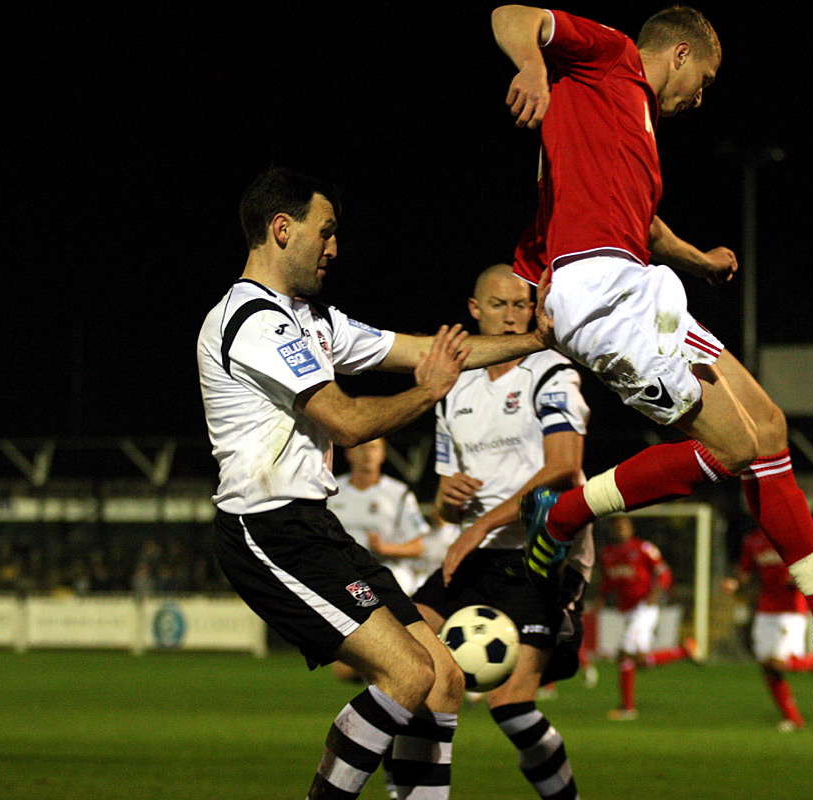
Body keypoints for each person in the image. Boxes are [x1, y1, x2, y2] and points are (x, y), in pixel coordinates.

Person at [489, 4, 813, 661]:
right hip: (599, 293)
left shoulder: (630, 123)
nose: (701, 96)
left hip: (635, 286)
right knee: (733, 447)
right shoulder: (612, 60)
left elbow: (644, 226)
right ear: (679, 53)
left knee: (769, 428)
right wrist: (532, 66)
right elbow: (511, 15)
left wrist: (698, 260)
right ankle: (561, 516)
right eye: (704, 79)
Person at [197, 167, 555, 800]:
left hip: (313, 526)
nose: (334, 247)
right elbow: (348, 420)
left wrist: (536, 340)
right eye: (325, 231)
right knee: (408, 674)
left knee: (444, 678)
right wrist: (430, 391)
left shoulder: (311, 319)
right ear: (282, 229)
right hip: (268, 528)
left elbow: (427, 352)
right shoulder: (252, 321)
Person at [411, 263, 591, 800]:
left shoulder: (550, 371)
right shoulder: (454, 387)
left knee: (510, 704)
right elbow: (447, 504)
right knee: (408, 668)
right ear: (474, 310)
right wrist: (447, 502)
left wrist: (479, 526)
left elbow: (564, 468)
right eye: (498, 305)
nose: (511, 317)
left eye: (521, 305)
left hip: (542, 557)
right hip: (477, 555)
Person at [724, 527, 813, 732]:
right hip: (765, 609)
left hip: (792, 610)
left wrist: (801, 575)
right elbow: (745, 571)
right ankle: (793, 719)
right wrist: (735, 583)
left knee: (777, 664)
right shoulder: (753, 540)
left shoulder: (794, 532)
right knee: (767, 666)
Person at [596, 514, 697, 721]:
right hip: (626, 610)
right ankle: (683, 651)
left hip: (644, 607)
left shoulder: (643, 548)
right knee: (640, 660)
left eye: (624, 527)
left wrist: (656, 592)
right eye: (617, 528)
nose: (620, 531)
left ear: (631, 529)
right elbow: (608, 581)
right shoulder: (607, 554)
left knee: (625, 654)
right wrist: (601, 598)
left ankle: (627, 709)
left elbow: (664, 572)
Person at [329, 438, 431, 596]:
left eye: (373, 448)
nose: (368, 453)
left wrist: (384, 548)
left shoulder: (399, 493)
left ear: (383, 454)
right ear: (348, 453)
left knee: (383, 592)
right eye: (362, 448)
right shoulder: (331, 490)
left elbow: (418, 547)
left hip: (384, 569)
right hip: (340, 569)